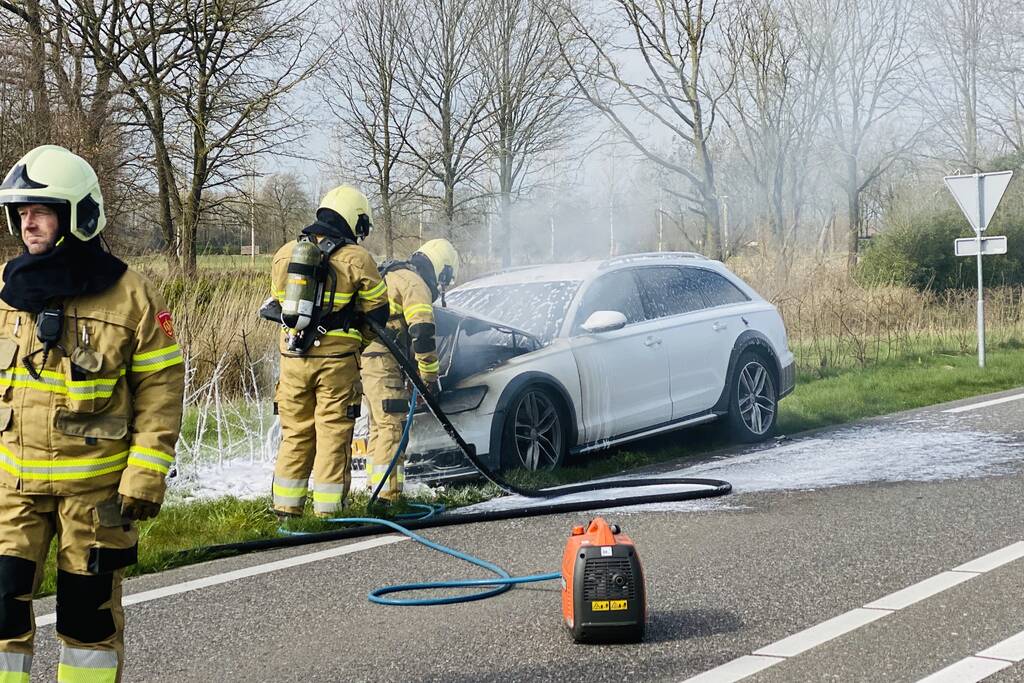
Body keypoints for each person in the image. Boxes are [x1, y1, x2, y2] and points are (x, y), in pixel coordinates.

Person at [0, 145, 185, 682]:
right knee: (2, 613)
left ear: (77, 215)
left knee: (88, 622)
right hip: (13, 488)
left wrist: (146, 472)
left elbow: (161, 389)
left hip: (96, 493)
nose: (27, 223)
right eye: (21, 212)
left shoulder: (130, 295)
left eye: (41, 211)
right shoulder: (6, 288)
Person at [270, 185, 388, 518]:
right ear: (353, 218)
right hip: (336, 365)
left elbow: (279, 304)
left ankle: (286, 510)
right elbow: (378, 313)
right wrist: (355, 342)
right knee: (333, 434)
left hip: (293, 359)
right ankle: (329, 513)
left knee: (295, 433)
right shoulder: (357, 259)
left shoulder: (285, 254)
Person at [362, 238, 458, 504]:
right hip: (384, 360)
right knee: (393, 427)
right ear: (442, 270)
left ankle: (375, 489)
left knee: (379, 426)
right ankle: (388, 498)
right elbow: (422, 333)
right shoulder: (415, 284)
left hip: (368, 359)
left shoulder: (395, 275)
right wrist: (428, 377)